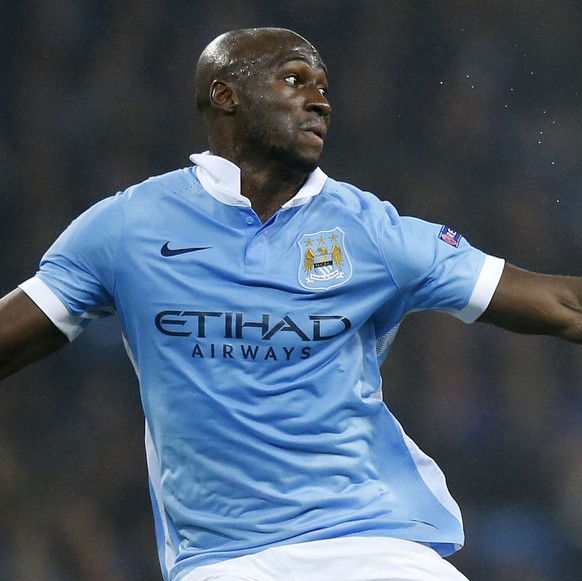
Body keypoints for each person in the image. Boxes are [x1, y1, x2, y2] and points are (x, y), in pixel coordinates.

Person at [1, 27, 581, 581]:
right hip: (226, 558)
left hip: (371, 542)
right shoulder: (128, 228)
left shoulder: (372, 232)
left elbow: (561, 303)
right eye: (294, 80)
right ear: (225, 96)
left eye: (324, 89)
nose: (320, 102)